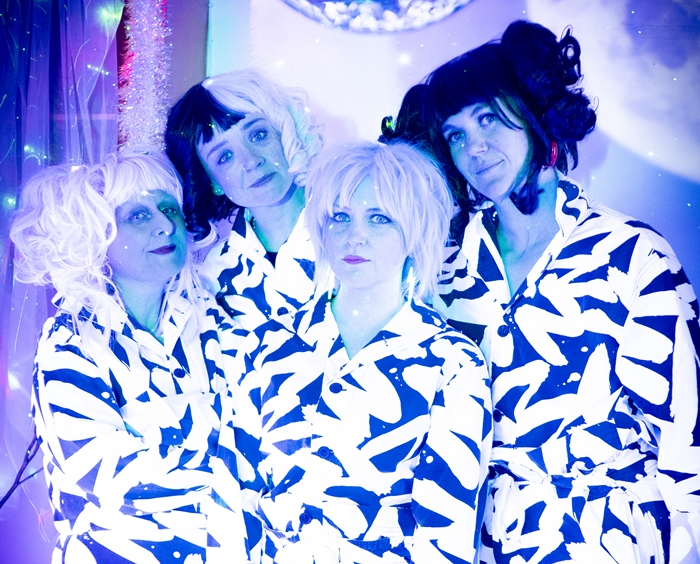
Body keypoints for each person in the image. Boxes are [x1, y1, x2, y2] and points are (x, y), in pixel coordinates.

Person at [409, 20, 700, 563]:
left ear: (532, 109)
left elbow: (690, 443)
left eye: (487, 118)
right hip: (482, 541)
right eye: (455, 135)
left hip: (607, 538)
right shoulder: (440, 273)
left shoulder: (631, 254)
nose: (475, 148)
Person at [231, 141, 493, 564]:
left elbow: (448, 533)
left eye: (379, 218)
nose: (355, 235)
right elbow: (235, 497)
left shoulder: (452, 362)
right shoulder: (269, 344)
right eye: (340, 217)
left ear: (415, 232)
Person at [10, 152, 246, 564]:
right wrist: (240, 467)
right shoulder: (70, 342)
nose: (165, 225)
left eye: (168, 208)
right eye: (138, 215)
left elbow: (263, 421)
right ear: (97, 235)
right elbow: (110, 474)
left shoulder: (212, 319)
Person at [165, 69, 323, 339]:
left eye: (258, 135)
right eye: (224, 156)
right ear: (211, 181)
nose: (251, 161)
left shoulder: (350, 231)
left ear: (284, 130)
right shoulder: (214, 277)